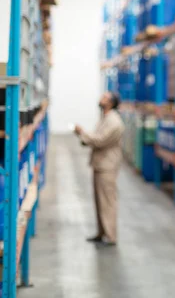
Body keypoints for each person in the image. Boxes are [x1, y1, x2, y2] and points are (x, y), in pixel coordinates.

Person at [74, 91, 125, 246]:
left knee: (107, 201)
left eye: (104, 97)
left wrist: (82, 133)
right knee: (99, 200)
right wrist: (85, 137)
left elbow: (101, 140)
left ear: (110, 102)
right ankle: (101, 232)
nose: (100, 99)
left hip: (107, 166)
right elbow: (96, 137)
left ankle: (111, 236)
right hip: (100, 164)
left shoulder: (115, 122)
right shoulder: (105, 118)